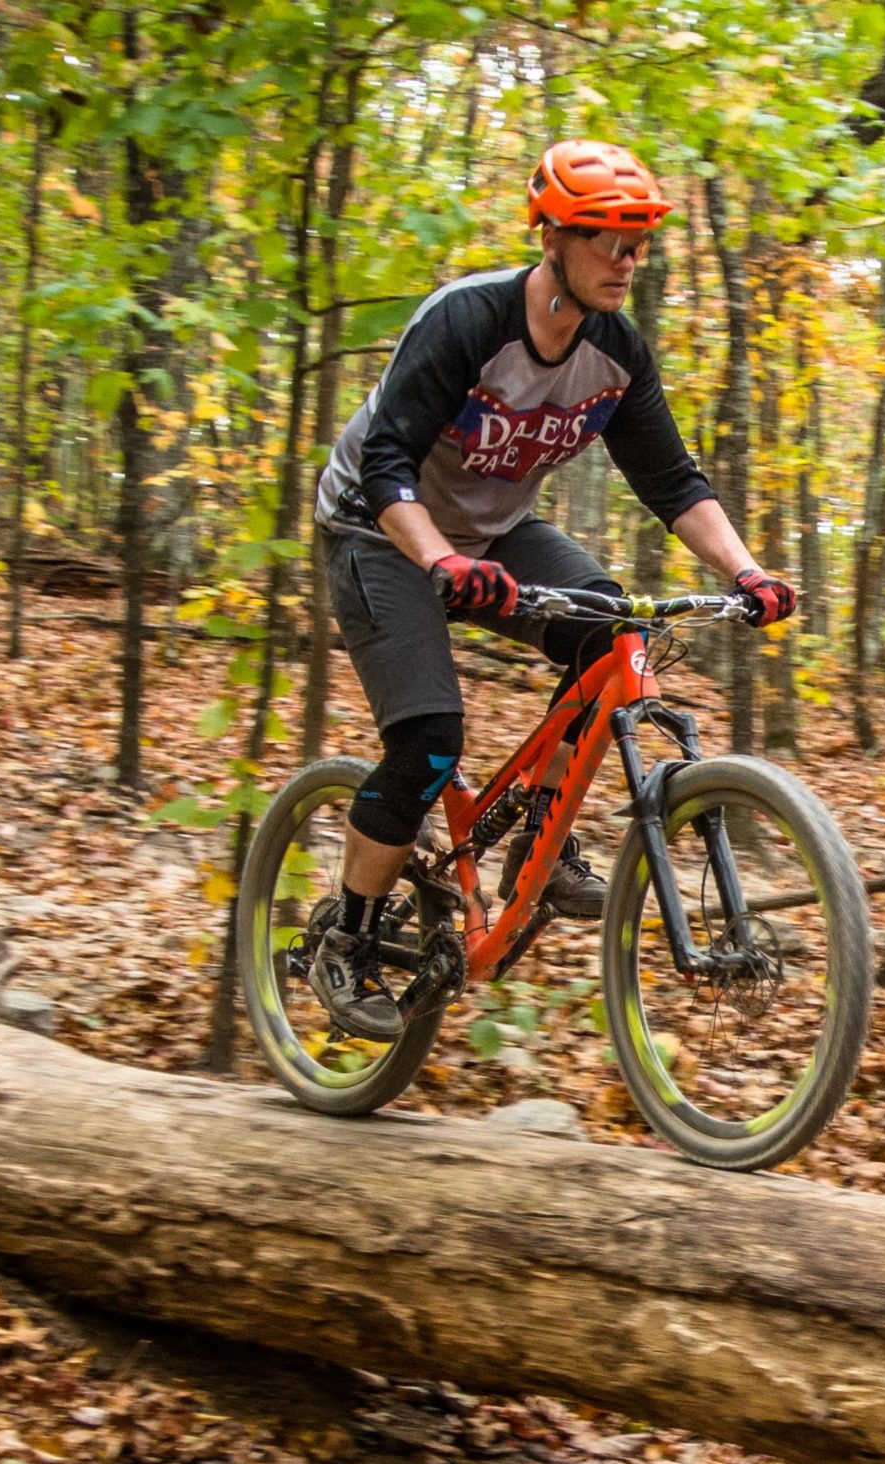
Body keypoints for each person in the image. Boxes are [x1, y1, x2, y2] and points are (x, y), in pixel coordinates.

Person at [307, 139, 794, 1040]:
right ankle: (350, 938)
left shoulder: (614, 351)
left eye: (639, 243)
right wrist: (439, 562)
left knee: (610, 634)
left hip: (492, 533)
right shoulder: (467, 320)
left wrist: (747, 571)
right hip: (376, 529)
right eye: (608, 240)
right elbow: (384, 464)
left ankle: (539, 840)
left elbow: (673, 482)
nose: (627, 261)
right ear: (553, 236)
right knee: (428, 742)